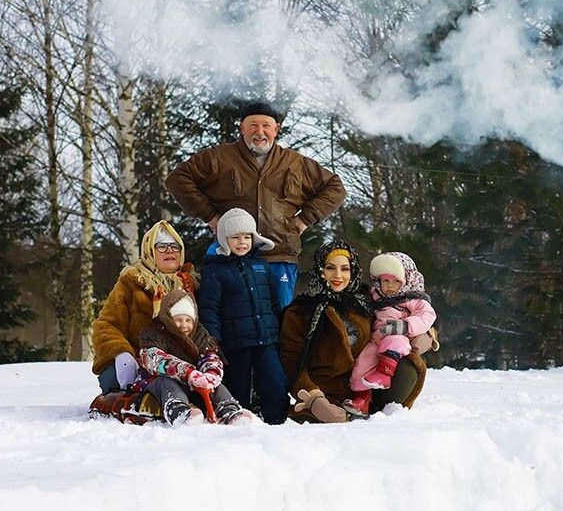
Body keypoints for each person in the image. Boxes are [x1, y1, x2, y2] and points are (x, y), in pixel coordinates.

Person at [165, 100, 346, 309]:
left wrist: (305, 219)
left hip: (279, 255)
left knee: (280, 319)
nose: (259, 132)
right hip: (231, 257)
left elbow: (335, 187)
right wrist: (209, 216)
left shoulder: (295, 163)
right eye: (253, 125)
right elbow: (177, 179)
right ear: (242, 128)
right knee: (233, 317)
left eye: (266, 126)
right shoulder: (219, 158)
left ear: (276, 129)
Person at [277, 240, 430, 423]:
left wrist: (427, 335)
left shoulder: (365, 300)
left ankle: (381, 409)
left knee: (409, 363)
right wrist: (315, 399)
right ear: (320, 270)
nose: (338, 275)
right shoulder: (300, 312)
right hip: (327, 397)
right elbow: (291, 363)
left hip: (368, 391)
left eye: (345, 269)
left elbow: (408, 310)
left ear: (353, 271)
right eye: (330, 268)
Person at [197, 207, 290, 424]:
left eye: (247, 236)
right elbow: (209, 308)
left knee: (274, 381)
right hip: (234, 342)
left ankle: (277, 421)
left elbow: (273, 302)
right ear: (224, 239)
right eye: (235, 237)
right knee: (237, 386)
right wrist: (213, 340)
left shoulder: (261, 266)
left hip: (265, 339)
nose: (242, 242)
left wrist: (277, 330)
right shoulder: (214, 270)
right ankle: (239, 422)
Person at [91, 220, 198, 395]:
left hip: (180, 359)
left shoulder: (190, 286)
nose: (170, 250)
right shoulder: (130, 283)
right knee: (114, 379)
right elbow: (106, 325)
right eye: (162, 246)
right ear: (149, 250)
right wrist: (122, 354)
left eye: (175, 246)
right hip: (137, 357)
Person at [136, 288, 252, 426]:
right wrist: (188, 372)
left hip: (193, 383)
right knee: (168, 383)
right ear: (168, 318)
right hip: (158, 382)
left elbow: (209, 353)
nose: (184, 325)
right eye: (178, 320)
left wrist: (211, 372)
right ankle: (180, 413)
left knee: (214, 383)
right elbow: (154, 358)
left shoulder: (199, 333)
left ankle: (229, 410)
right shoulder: (154, 332)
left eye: (188, 320)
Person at [345, 252, 438, 416]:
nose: (389, 285)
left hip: (400, 334)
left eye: (396, 281)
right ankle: (362, 398)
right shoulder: (376, 295)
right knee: (362, 364)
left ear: (406, 281)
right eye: (385, 280)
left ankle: (384, 373)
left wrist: (406, 326)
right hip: (376, 339)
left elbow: (428, 315)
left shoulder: (411, 297)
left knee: (395, 342)